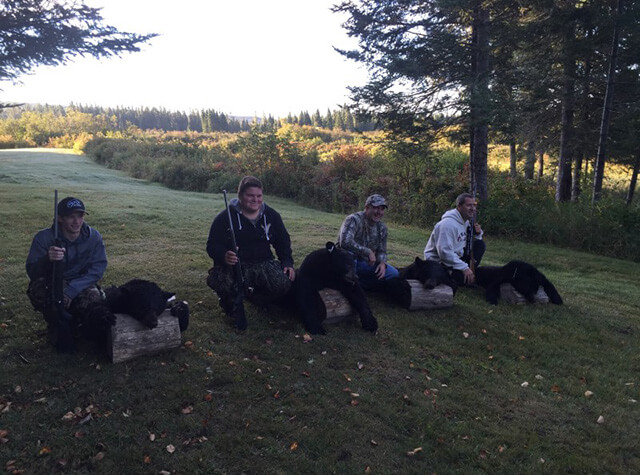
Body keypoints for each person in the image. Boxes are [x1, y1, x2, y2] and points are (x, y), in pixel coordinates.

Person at [206, 176, 295, 327]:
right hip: (236, 265)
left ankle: (257, 298)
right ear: (240, 195)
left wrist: (287, 262)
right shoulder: (224, 218)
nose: (255, 200)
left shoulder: (272, 216)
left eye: (259, 196)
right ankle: (229, 304)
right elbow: (212, 245)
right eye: (250, 195)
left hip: (263, 262)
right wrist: (223, 255)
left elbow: (283, 242)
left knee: (284, 282)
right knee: (219, 279)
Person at [26, 196, 108, 352]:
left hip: (79, 282)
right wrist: (47, 260)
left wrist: (71, 290)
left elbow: (98, 268)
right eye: (71, 216)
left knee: (96, 300)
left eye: (80, 216)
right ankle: (56, 324)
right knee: (47, 298)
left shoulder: (94, 237)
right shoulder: (43, 238)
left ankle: (78, 325)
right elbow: (32, 271)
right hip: (51, 281)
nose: (77, 221)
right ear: (59, 219)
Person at [337, 193, 399, 291]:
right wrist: (368, 252)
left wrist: (382, 263)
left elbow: (382, 250)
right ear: (366, 207)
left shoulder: (382, 228)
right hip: (347, 262)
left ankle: (358, 284)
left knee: (393, 274)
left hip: (365, 264)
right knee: (348, 255)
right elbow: (344, 242)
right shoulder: (353, 219)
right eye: (376, 208)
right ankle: (350, 282)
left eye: (382, 209)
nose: (379, 212)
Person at [423, 192, 485, 286]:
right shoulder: (447, 225)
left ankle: (469, 276)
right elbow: (444, 253)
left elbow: (469, 244)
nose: (473, 209)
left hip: (456, 257)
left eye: (474, 205)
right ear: (459, 206)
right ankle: (464, 277)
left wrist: (477, 234)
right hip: (439, 263)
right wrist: (464, 268)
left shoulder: (465, 222)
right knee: (459, 279)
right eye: (469, 205)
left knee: (480, 245)